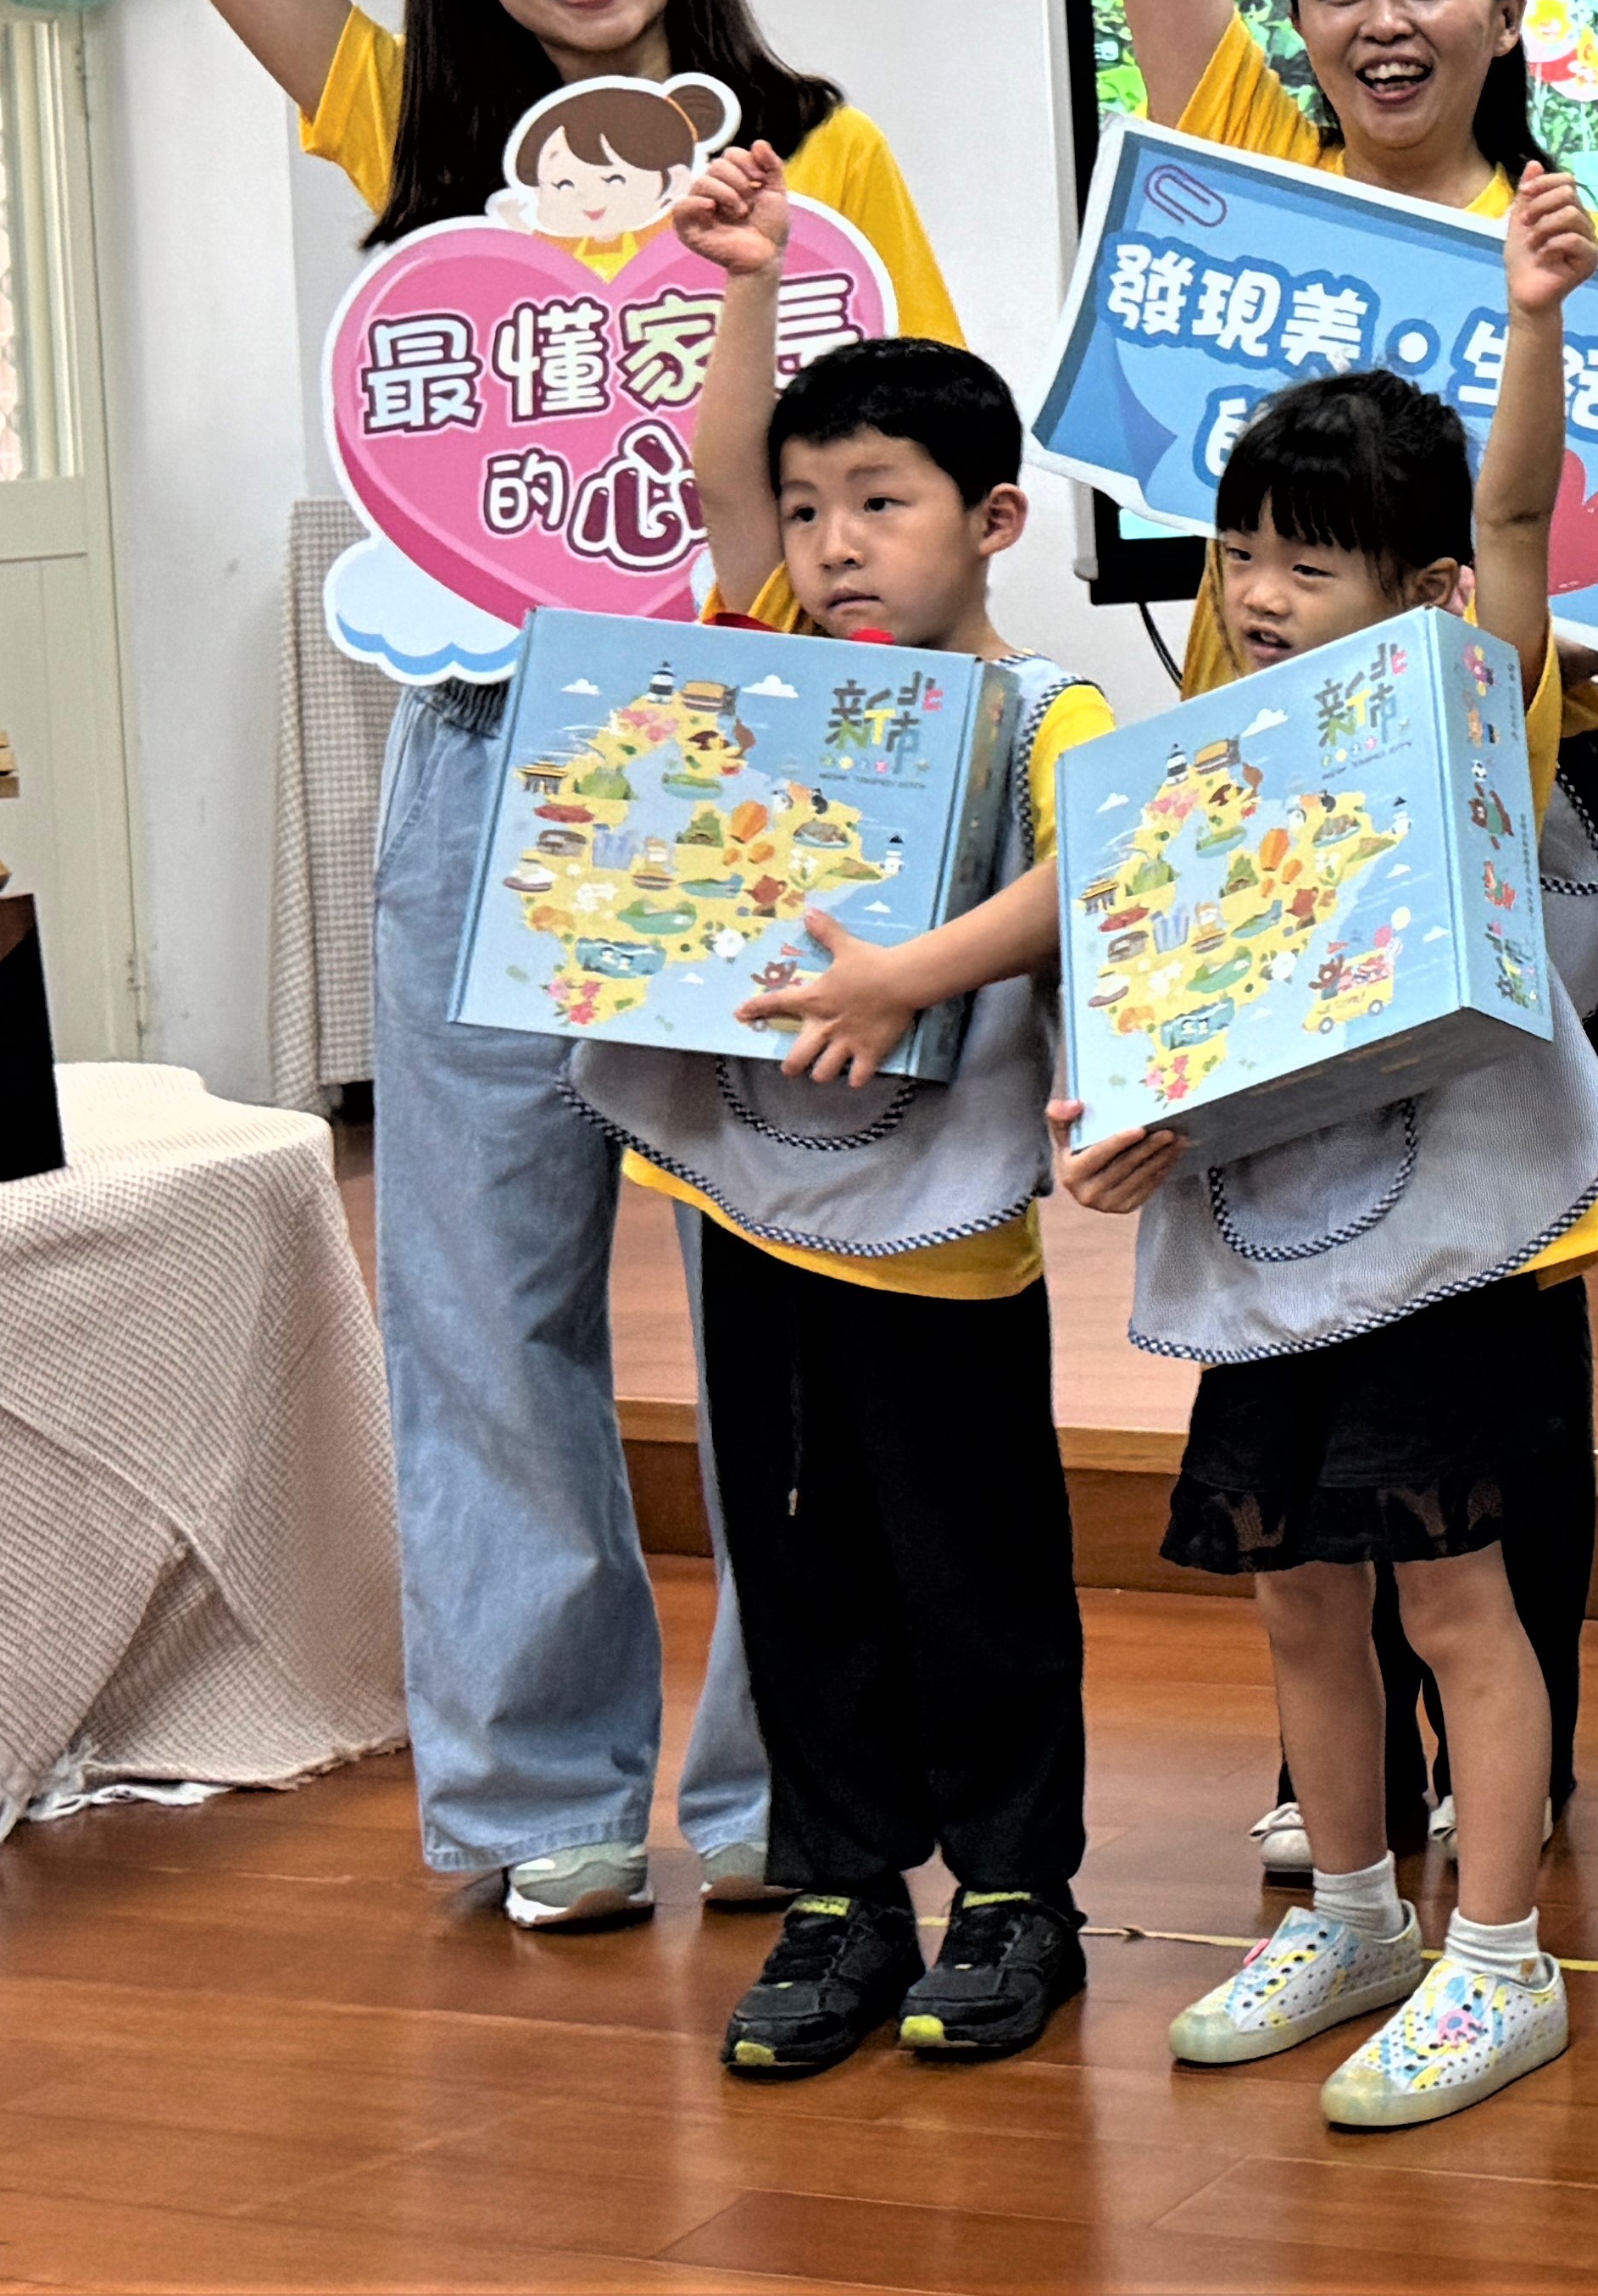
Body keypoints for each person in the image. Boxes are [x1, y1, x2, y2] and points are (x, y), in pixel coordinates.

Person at [0, 0, 972, 1930]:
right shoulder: (413, 124)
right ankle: (543, 1791)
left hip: (751, 766)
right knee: (485, 1304)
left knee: (785, 1297)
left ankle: (790, 1794)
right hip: (486, 761)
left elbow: (915, 467)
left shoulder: (822, 152)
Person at [1032, 0, 1598, 1880]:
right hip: (1248, 832)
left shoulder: (1567, 258)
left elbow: (1559, 548)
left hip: (1485, 815)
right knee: (1294, 1279)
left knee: (1483, 1297)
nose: (1383, 19)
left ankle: (1509, 1755)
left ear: (1502, 8)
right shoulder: (1250, 179)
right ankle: (1336, 1777)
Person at [1051, 176, 1598, 2132]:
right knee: (1297, 1589)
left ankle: (1500, 1955)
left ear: (1425, 589)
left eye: (1309, 562)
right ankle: (1360, 1918)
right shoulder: (1203, 738)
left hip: (1448, 1242)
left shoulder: (1470, 702)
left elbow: (1519, 522)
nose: (1261, 593)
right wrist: (1116, 1127)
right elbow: (1154, 990)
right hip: (1267, 1244)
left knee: (1456, 1597)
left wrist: (1534, 318)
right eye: (1241, 552)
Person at [558, 147, 1110, 2076]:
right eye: (811, 511)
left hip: (945, 1235)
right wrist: (748, 279)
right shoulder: (780, 671)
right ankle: (841, 1891)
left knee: (975, 1564)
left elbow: (1097, 871)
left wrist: (911, 975)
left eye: (883, 502)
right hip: (754, 1210)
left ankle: (1020, 1895)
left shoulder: (1047, 711)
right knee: (796, 1565)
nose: (834, 543)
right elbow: (722, 481)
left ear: (995, 520)